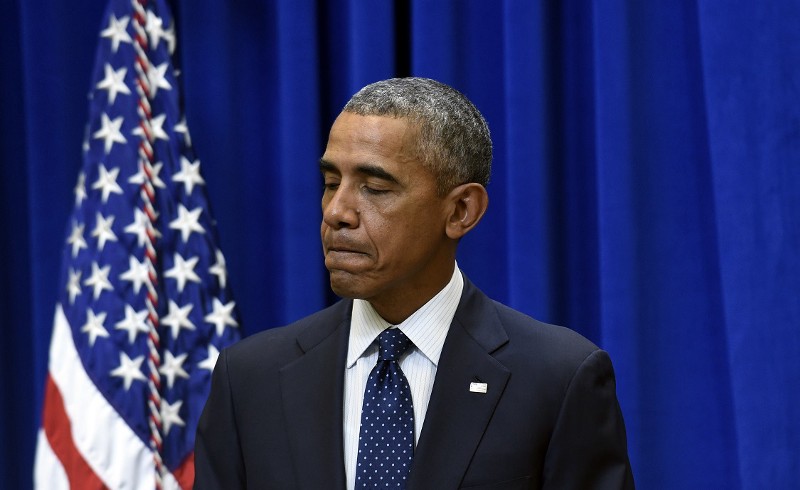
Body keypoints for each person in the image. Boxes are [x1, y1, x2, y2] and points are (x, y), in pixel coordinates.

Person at [194, 77, 634, 489]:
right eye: (331, 182)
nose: (336, 212)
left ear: (461, 211)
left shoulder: (558, 380)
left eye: (374, 188)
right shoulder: (249, 379)